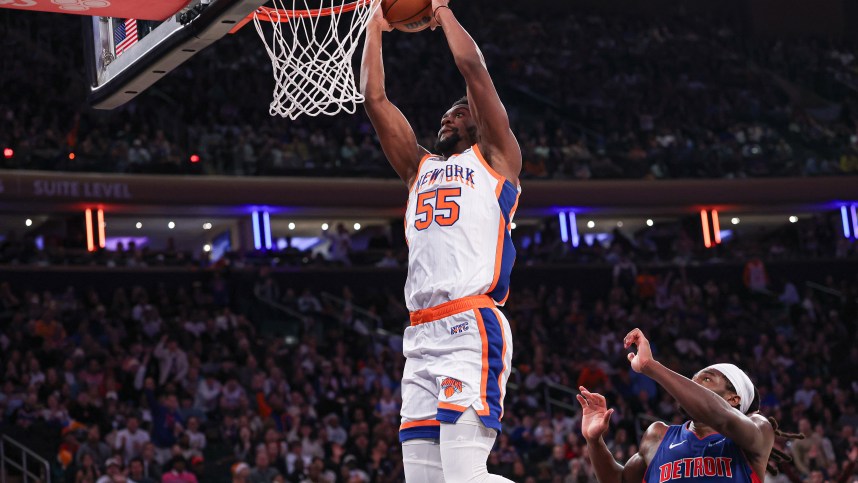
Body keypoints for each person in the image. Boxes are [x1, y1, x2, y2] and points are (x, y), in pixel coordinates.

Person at [360, 0, 522, 481]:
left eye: (459, 113)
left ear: (479, 122)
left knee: (465, 476)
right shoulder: (418, 168)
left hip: (471, 323)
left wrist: (441, 10)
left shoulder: (496, 159)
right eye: (446, 114)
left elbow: (473, 68)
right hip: (421, 334)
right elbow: (375, 100)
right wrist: (374, 30)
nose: (449, 118)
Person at [578, 328, 802, 483]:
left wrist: (651, 367)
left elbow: (722, 417)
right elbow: (618, 481)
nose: (692, 386)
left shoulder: (758, 429)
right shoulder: (658, 435)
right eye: (692, 381)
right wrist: (594, 441)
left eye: (705, 380)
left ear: (734, 399)